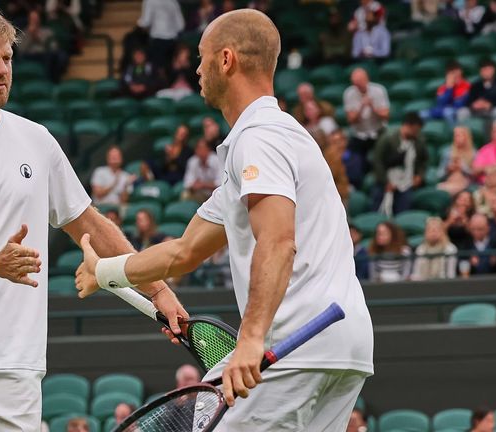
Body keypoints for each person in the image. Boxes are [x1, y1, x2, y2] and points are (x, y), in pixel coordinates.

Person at [0, 8, 186, 430]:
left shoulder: (36, 140)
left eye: (6, 58)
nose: (1, 70)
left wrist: (160, 291)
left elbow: (89, 225)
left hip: (10, 364)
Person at [76, 9, 373, 431]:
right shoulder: (272, 139)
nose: (197, 69)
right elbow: (184, 252)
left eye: (202, 57)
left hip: (293, 344)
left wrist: (251, 339)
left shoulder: (260, 140)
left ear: (227, 60)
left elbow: (277, 241)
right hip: (344, 346)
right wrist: (104, 271)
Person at [372, 112, 428, 216]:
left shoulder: (418, 142)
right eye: (415, 130)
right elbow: (377, 162)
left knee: (404, 211)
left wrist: (419, 176)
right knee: (378, 206)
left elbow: (423, 161)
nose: (417, 133)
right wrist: (386, 182)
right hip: (386, 181)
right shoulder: (387, 139)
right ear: (407, 126)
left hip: (407, 183)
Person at [343, 68, 390, 165]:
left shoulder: (379, 90)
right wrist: (361, 107)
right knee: (353, 161)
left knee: (382, 157)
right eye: (355, 83)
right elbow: (351, 120)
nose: (358, 86)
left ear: (366, 79)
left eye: (360, 82)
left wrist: (372, 107)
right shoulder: (349, 93)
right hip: (359, 134)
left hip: (378, 132)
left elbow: (386, 116)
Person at [421, 61, 470, 126]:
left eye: (456, 71)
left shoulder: (467, 86)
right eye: (451, 72)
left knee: (448, 112)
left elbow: (460, 104)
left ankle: (453, 132)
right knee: (422, 114)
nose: (454, 74)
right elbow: (441, 104)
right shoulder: (442, 88)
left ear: (460, 71)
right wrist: (449, 89)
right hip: (442, 110)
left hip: (457, 110)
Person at [436, 126, 475, 196]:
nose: (457, 138)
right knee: (439, 188)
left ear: (467, 137)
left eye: (460, 135)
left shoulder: (474, 153)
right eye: (455, 136)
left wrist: (462, 166)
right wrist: (447, 169)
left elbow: (474, 174)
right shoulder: (447, 152)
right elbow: (439, 174)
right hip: (449, 181)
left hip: (465, 183)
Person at [182, 138, 222, 203]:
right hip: (200, 193)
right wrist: (194, 185)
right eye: (197, 149)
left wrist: (203, 184)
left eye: (202, 148)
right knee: (185, 194)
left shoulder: (216, 160)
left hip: (216, 194)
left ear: (208, 149)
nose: (200, 151)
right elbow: (187, 183)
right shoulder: (192, 161)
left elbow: (221, 183)